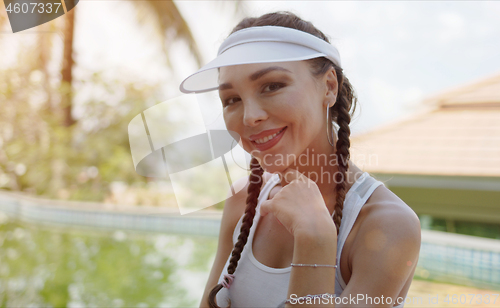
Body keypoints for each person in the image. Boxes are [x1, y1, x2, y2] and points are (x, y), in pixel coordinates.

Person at [180, 11, 421, 308]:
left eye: (272, 86)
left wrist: (316, 240)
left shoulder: (385, 226)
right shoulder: (242, 199)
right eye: (232, 99)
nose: (250, 116)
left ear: (329, 86)